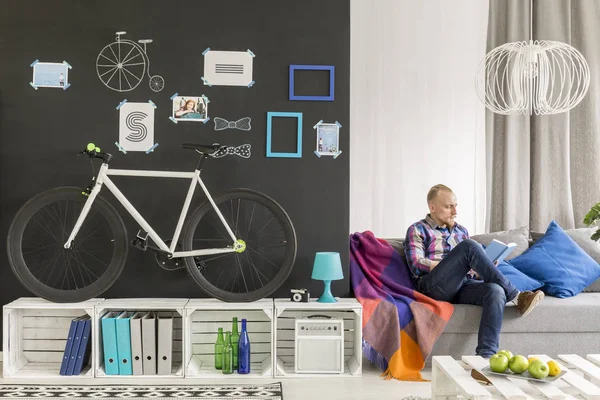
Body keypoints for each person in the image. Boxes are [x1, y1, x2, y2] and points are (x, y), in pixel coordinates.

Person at [404, 184, 544, 358]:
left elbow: (469, 270)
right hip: (433, 287)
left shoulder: (461, 231)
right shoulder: (417, 229)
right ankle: (516, 296)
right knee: (469, 247)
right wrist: (450, 264)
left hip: (461, 285)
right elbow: (416, 263)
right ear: (432, 208)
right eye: (448, 206)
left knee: (496, 291)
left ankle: (485, 358)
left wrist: (484, 265)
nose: (455, 211)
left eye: (456, 205)